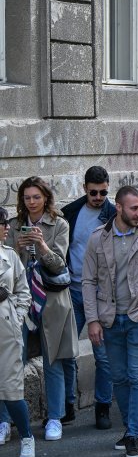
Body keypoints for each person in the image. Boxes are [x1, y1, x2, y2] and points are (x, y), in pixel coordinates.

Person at [82, 186, 138, 457]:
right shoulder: (98, 238)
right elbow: (88, 281)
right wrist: (93, 319)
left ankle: (133, 433)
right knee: (119, 377)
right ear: (118, 208)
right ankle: (131, 429)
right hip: (109, 320)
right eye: (134, 208)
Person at [4, 177, 78, 443]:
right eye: (27, 198)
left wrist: (42, 245)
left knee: (54, 360)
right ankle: (4, 420)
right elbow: (6, 265)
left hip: (52, 300)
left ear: (46, 198)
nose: (32, 202)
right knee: (11, 361)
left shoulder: (59, 224)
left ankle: (55, 418)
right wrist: (17, 248)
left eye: (36, 197)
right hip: (20, 301)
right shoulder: (13, 226)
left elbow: (59, 265)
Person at [61, 166, 115, 430]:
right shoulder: (71, 212)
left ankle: (102, 407)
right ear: (84, 189)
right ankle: (67, 406)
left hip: (101, 294)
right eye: (93, 192)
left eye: (103, 192)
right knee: (67, 352)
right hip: (72, 290)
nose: (98, 197)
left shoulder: (114, 214)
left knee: (103, 356)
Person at [0, 206, 36, 457]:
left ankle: (26, 437)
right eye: (3, 224)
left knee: (12, 388)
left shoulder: (9, 256)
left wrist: (17, 315)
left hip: (6, 329)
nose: (7, 229)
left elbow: (24, 291)